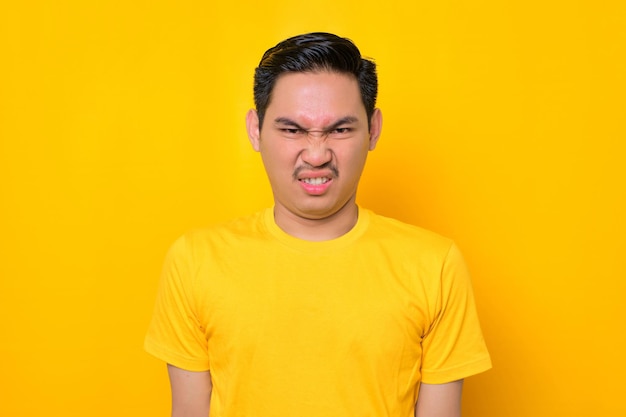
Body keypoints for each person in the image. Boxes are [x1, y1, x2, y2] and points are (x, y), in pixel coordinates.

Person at [144, 32, 491, 417]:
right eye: (292, 130)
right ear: (255, 129)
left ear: (373, 129)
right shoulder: (195, 261)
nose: (316, 154)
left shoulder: (435, 265)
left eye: (340, 130)